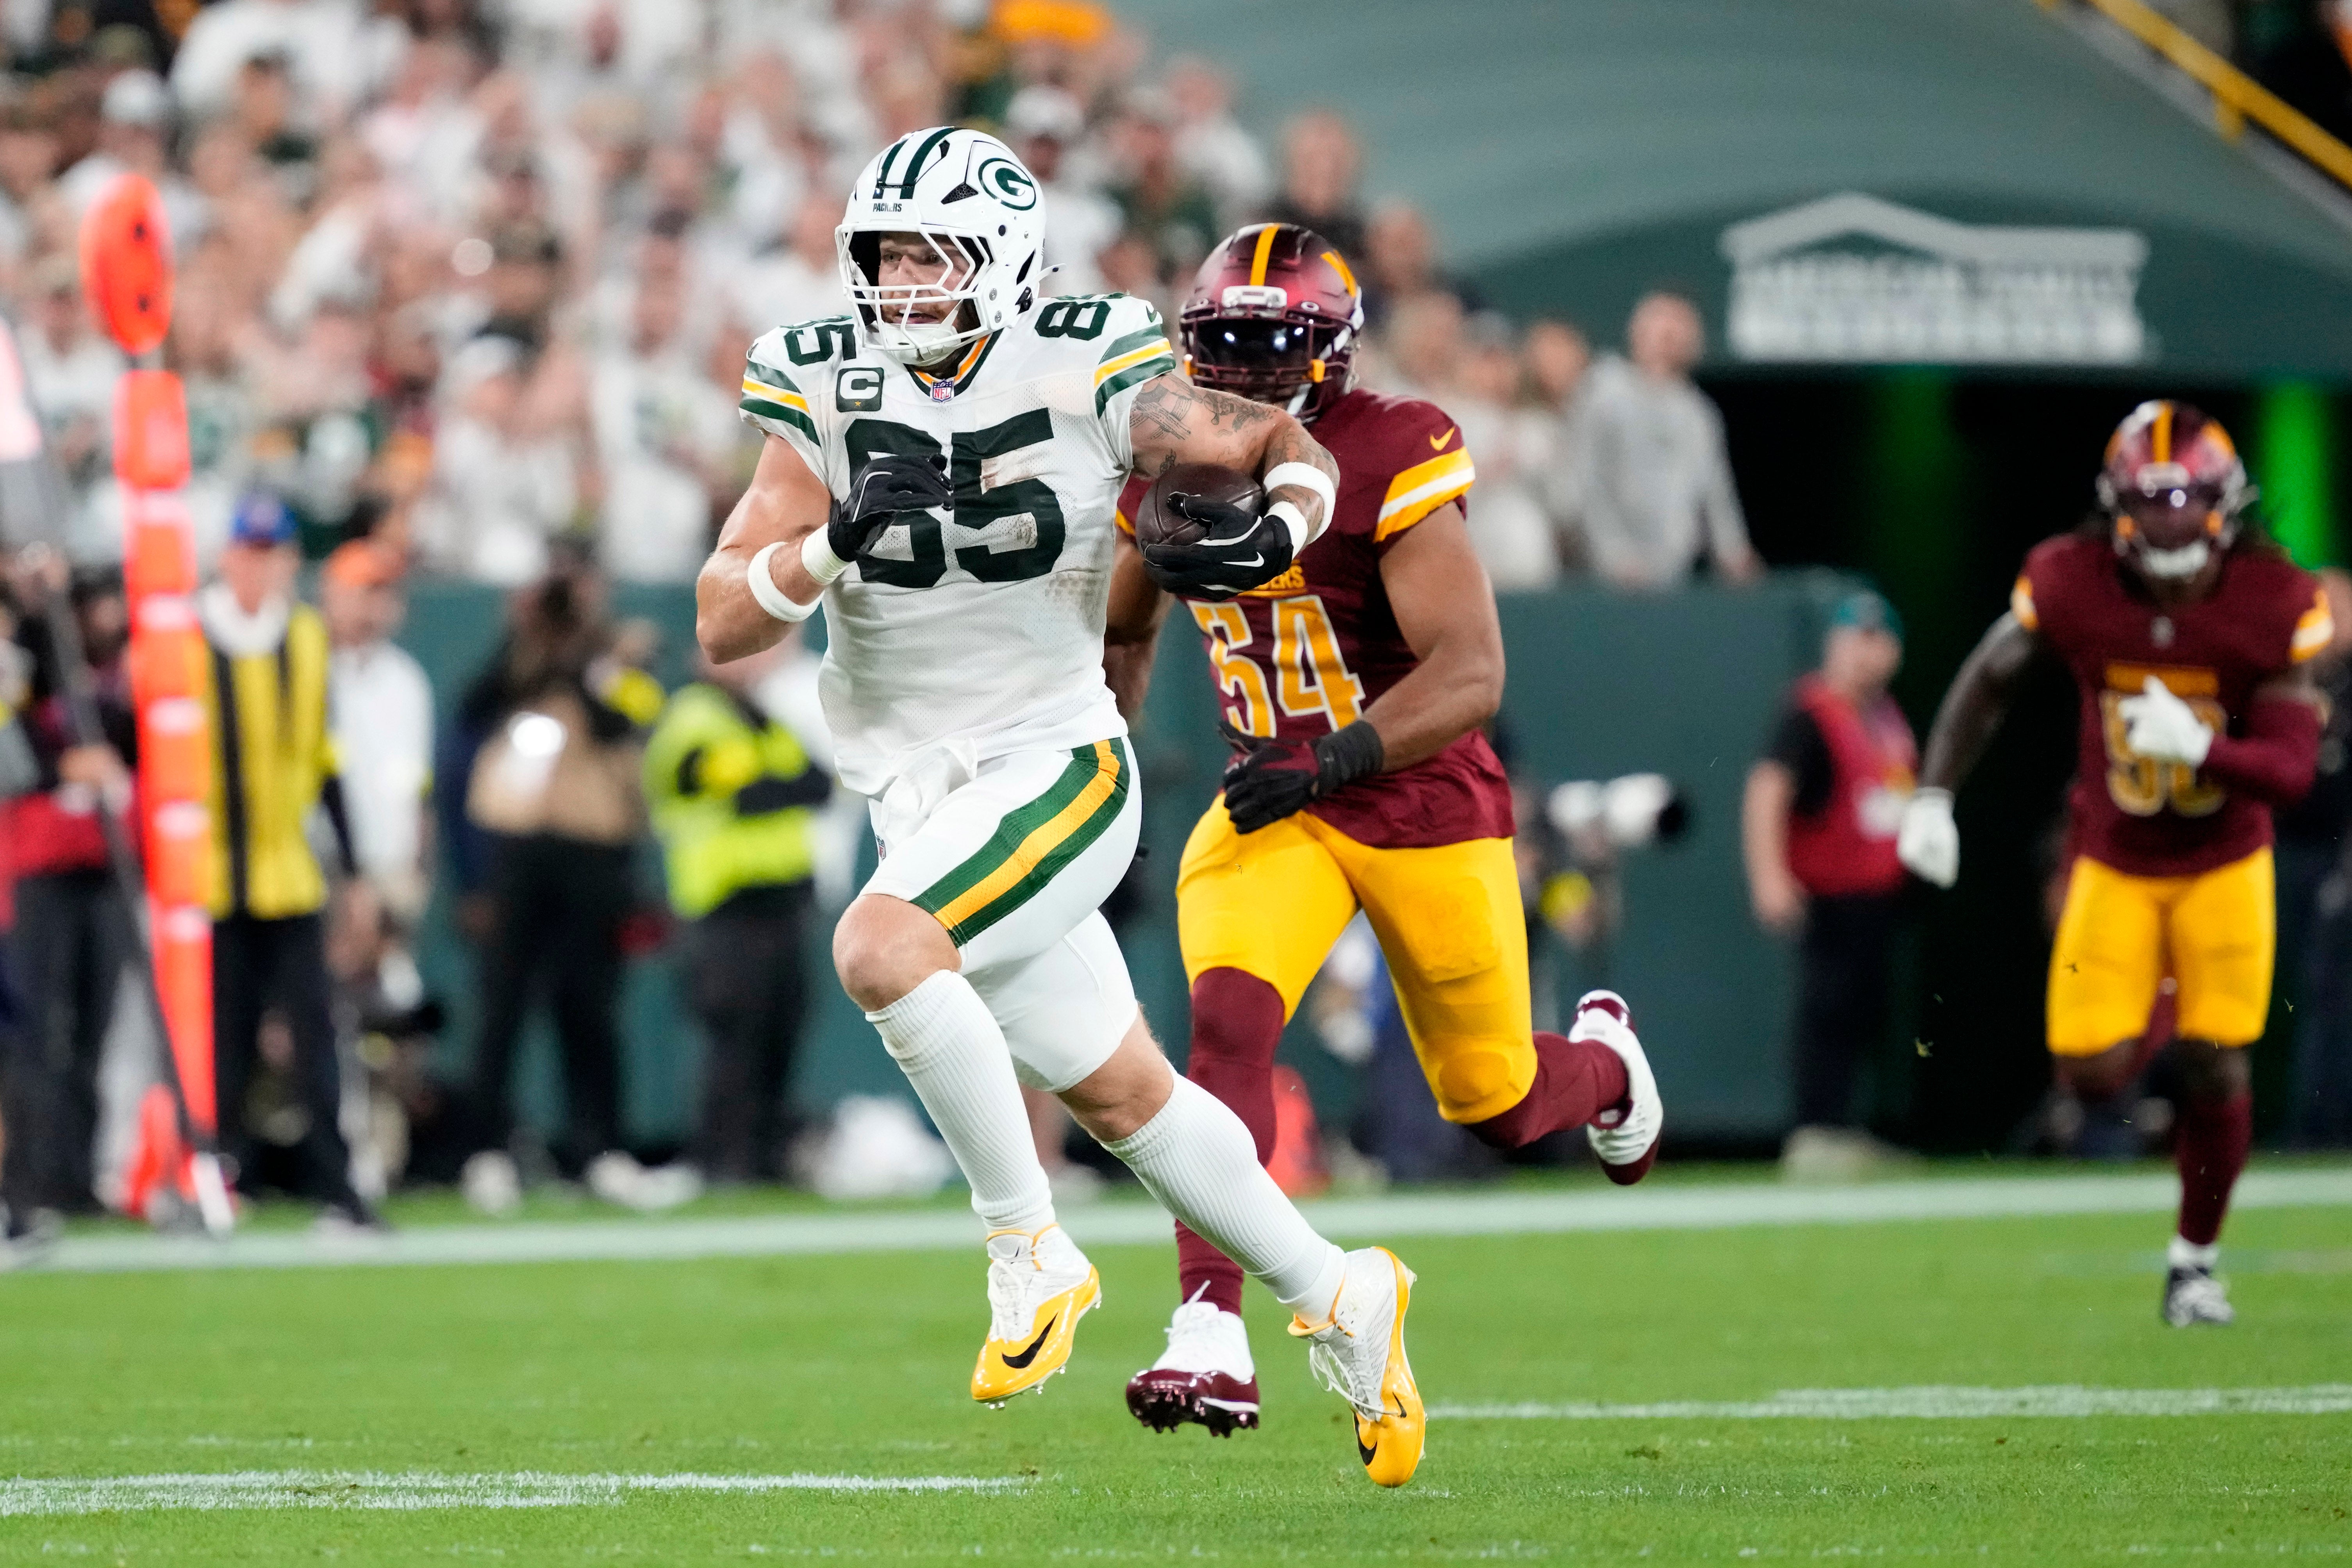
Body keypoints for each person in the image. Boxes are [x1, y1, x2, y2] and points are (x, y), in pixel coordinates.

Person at [698, 128, 1427, 1488]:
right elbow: (725, 619)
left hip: (1057, 761)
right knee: (1127, 1096)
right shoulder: (824, 378)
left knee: (878, 948)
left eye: (934, 253)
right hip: (918, 794)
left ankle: (1026, 1243)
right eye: (887, 255)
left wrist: (1287, 514)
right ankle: (1340, 1292)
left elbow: (1266, 437)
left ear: (1008, 258)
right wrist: (830, 541)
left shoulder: (1086, 356)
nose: (906, 282)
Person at [1099, 224, 1663, 1438]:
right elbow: (1125, 625)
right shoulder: (1166, 456)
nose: (1244, 374)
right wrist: (1104, 769)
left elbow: (1471, 674)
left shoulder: (1392, 445)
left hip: (1415, 802)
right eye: (1225, 345)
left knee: (1497, 1101)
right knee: (1229, 1024)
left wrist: (1335, 754)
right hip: (1270, 799)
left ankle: (1609, 1066)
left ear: (1332, 354)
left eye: (1271, 345)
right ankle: (1210, 1328)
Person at [1899, 401, 2329, 1327]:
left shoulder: (2274, 597)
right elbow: (1989, 676)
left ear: (2225, 503)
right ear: (2115, 505)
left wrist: (2202, 749)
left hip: (2223, 859)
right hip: (2117, 858)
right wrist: (1932, 793)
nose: (2170, 518)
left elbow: (2291, 772)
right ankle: (2165, 1016)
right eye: (2150, 498)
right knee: (2088, 1068)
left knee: (2219, 1067)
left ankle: (2194, 1261)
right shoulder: (2073, 580)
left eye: (2186, 497)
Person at [198, 495, 377, 1229]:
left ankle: (339, 1190)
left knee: (315, 1040)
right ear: (228, 556)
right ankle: (215, 1181)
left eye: (276, 554)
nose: (264, 567)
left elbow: (326, 761)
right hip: (207, 877)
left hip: (288, 870)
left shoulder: (303, 637)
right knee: (222, 1044)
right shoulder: (187, 638)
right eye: (253, 551)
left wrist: (356, 872)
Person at [642, 640, 832, 1183]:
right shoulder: (694, 716)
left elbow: (816, 783)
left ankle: (766, 1157)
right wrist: (775, 785)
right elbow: (742, 791)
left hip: (784, 900)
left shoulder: (760, 718)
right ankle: (720, 1159)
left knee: (782, 1031)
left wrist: (772, 784)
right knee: (733, 1039)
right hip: (727, 902)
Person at [1742, 589, 1916, 1177]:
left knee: (1864, 1012)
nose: (1866, 654)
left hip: (1877, 895)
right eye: (1855, 639)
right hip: (1828, 891)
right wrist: (1769, 876)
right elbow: (1768, 789)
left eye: (1878, 640)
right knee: (1825, 1008)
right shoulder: (1810, 713)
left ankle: (1843, 1126)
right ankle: (1814, 1129)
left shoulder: (1886, 718)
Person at [0, 558, 135, 1221]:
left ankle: (78, 1176)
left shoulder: (121, 677)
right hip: (40, 865)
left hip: (105, 865)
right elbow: (16, 749)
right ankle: (29, 1179)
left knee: (94, 1027)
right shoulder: (33, 661)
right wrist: (63, 768)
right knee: (38, 1029)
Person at [1577, 292, 1760, 589]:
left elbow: (1714, 491)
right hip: (1609, 580)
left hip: (1673, 574)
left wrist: (1733, 550)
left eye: (1679, 325)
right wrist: (1613, 554)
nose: (1669, 334)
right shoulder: (1604, 393)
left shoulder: (1698, 413)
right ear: (1637, 330)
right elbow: (1586, 483)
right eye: (1660, 322)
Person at [321, 540, 434, 920]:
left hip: (393, 867)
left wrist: (420, 862)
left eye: (386, 593)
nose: (376, 606)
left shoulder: (407, 679)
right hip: (326, 866)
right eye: (366, 592)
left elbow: (419, 780)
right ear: (333, 595)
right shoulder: (311, 670)